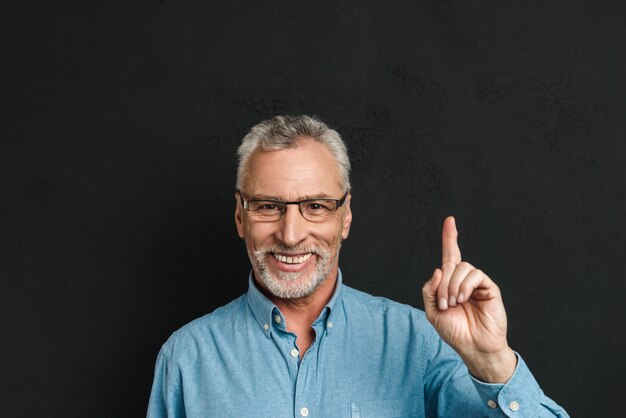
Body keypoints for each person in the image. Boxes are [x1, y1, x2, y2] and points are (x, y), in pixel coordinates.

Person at [146, 115, 569, 417]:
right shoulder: (187, 359)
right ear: (240, 216)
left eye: (315, 206)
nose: (291, 234)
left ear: (345, 217)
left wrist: (492, 362)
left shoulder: (419, 343)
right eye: (268, 206)